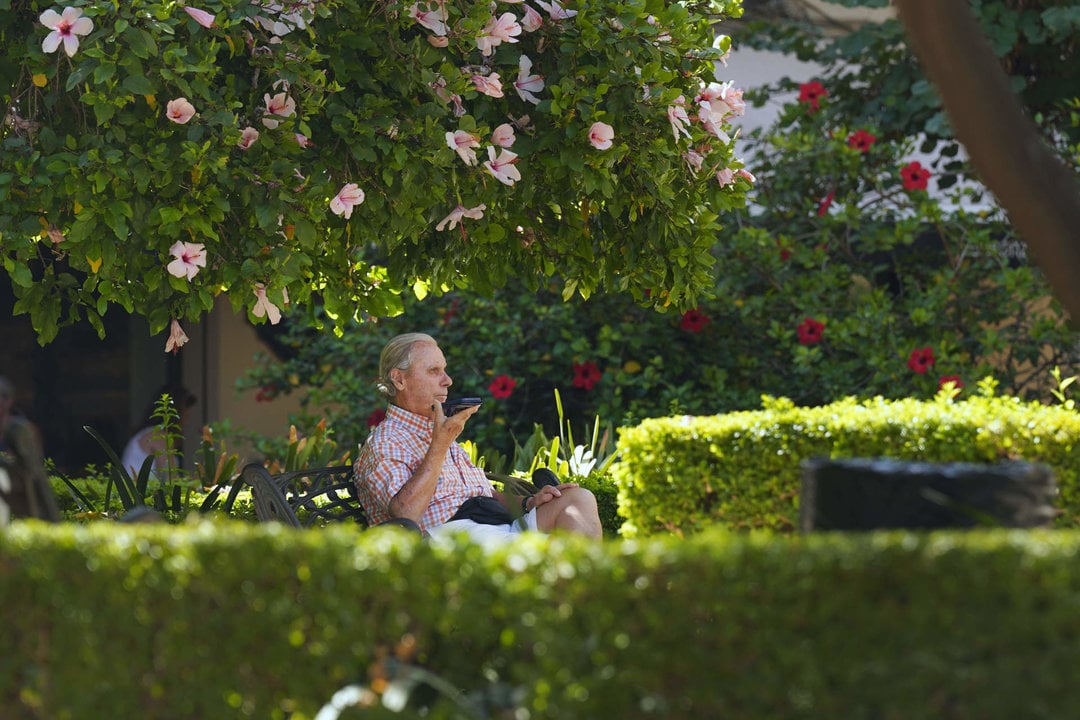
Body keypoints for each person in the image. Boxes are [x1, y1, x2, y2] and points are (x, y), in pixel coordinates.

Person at [354, 333, 603, 545]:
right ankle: (576, 592)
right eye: (434, 371)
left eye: (444, 370)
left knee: (577, 499)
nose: (447, 380)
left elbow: (484, 495)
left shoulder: (437, 430)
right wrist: (440, 445)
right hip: (452, 539)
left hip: (495, 528)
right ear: (399, 379)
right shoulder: (386, 441)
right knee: (554, 556)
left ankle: (577, 588)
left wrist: (528, 502)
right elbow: (405, 514)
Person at [0, 375, 60, 524]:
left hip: (21, 495)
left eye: (4, 398)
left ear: (9, 401)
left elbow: (31, 469)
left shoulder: (20, 430)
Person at [120, 383, 197, 480]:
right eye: (186, 415)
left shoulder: (148, 433)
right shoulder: (159, 436)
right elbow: (170, 481)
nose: (186, 422)